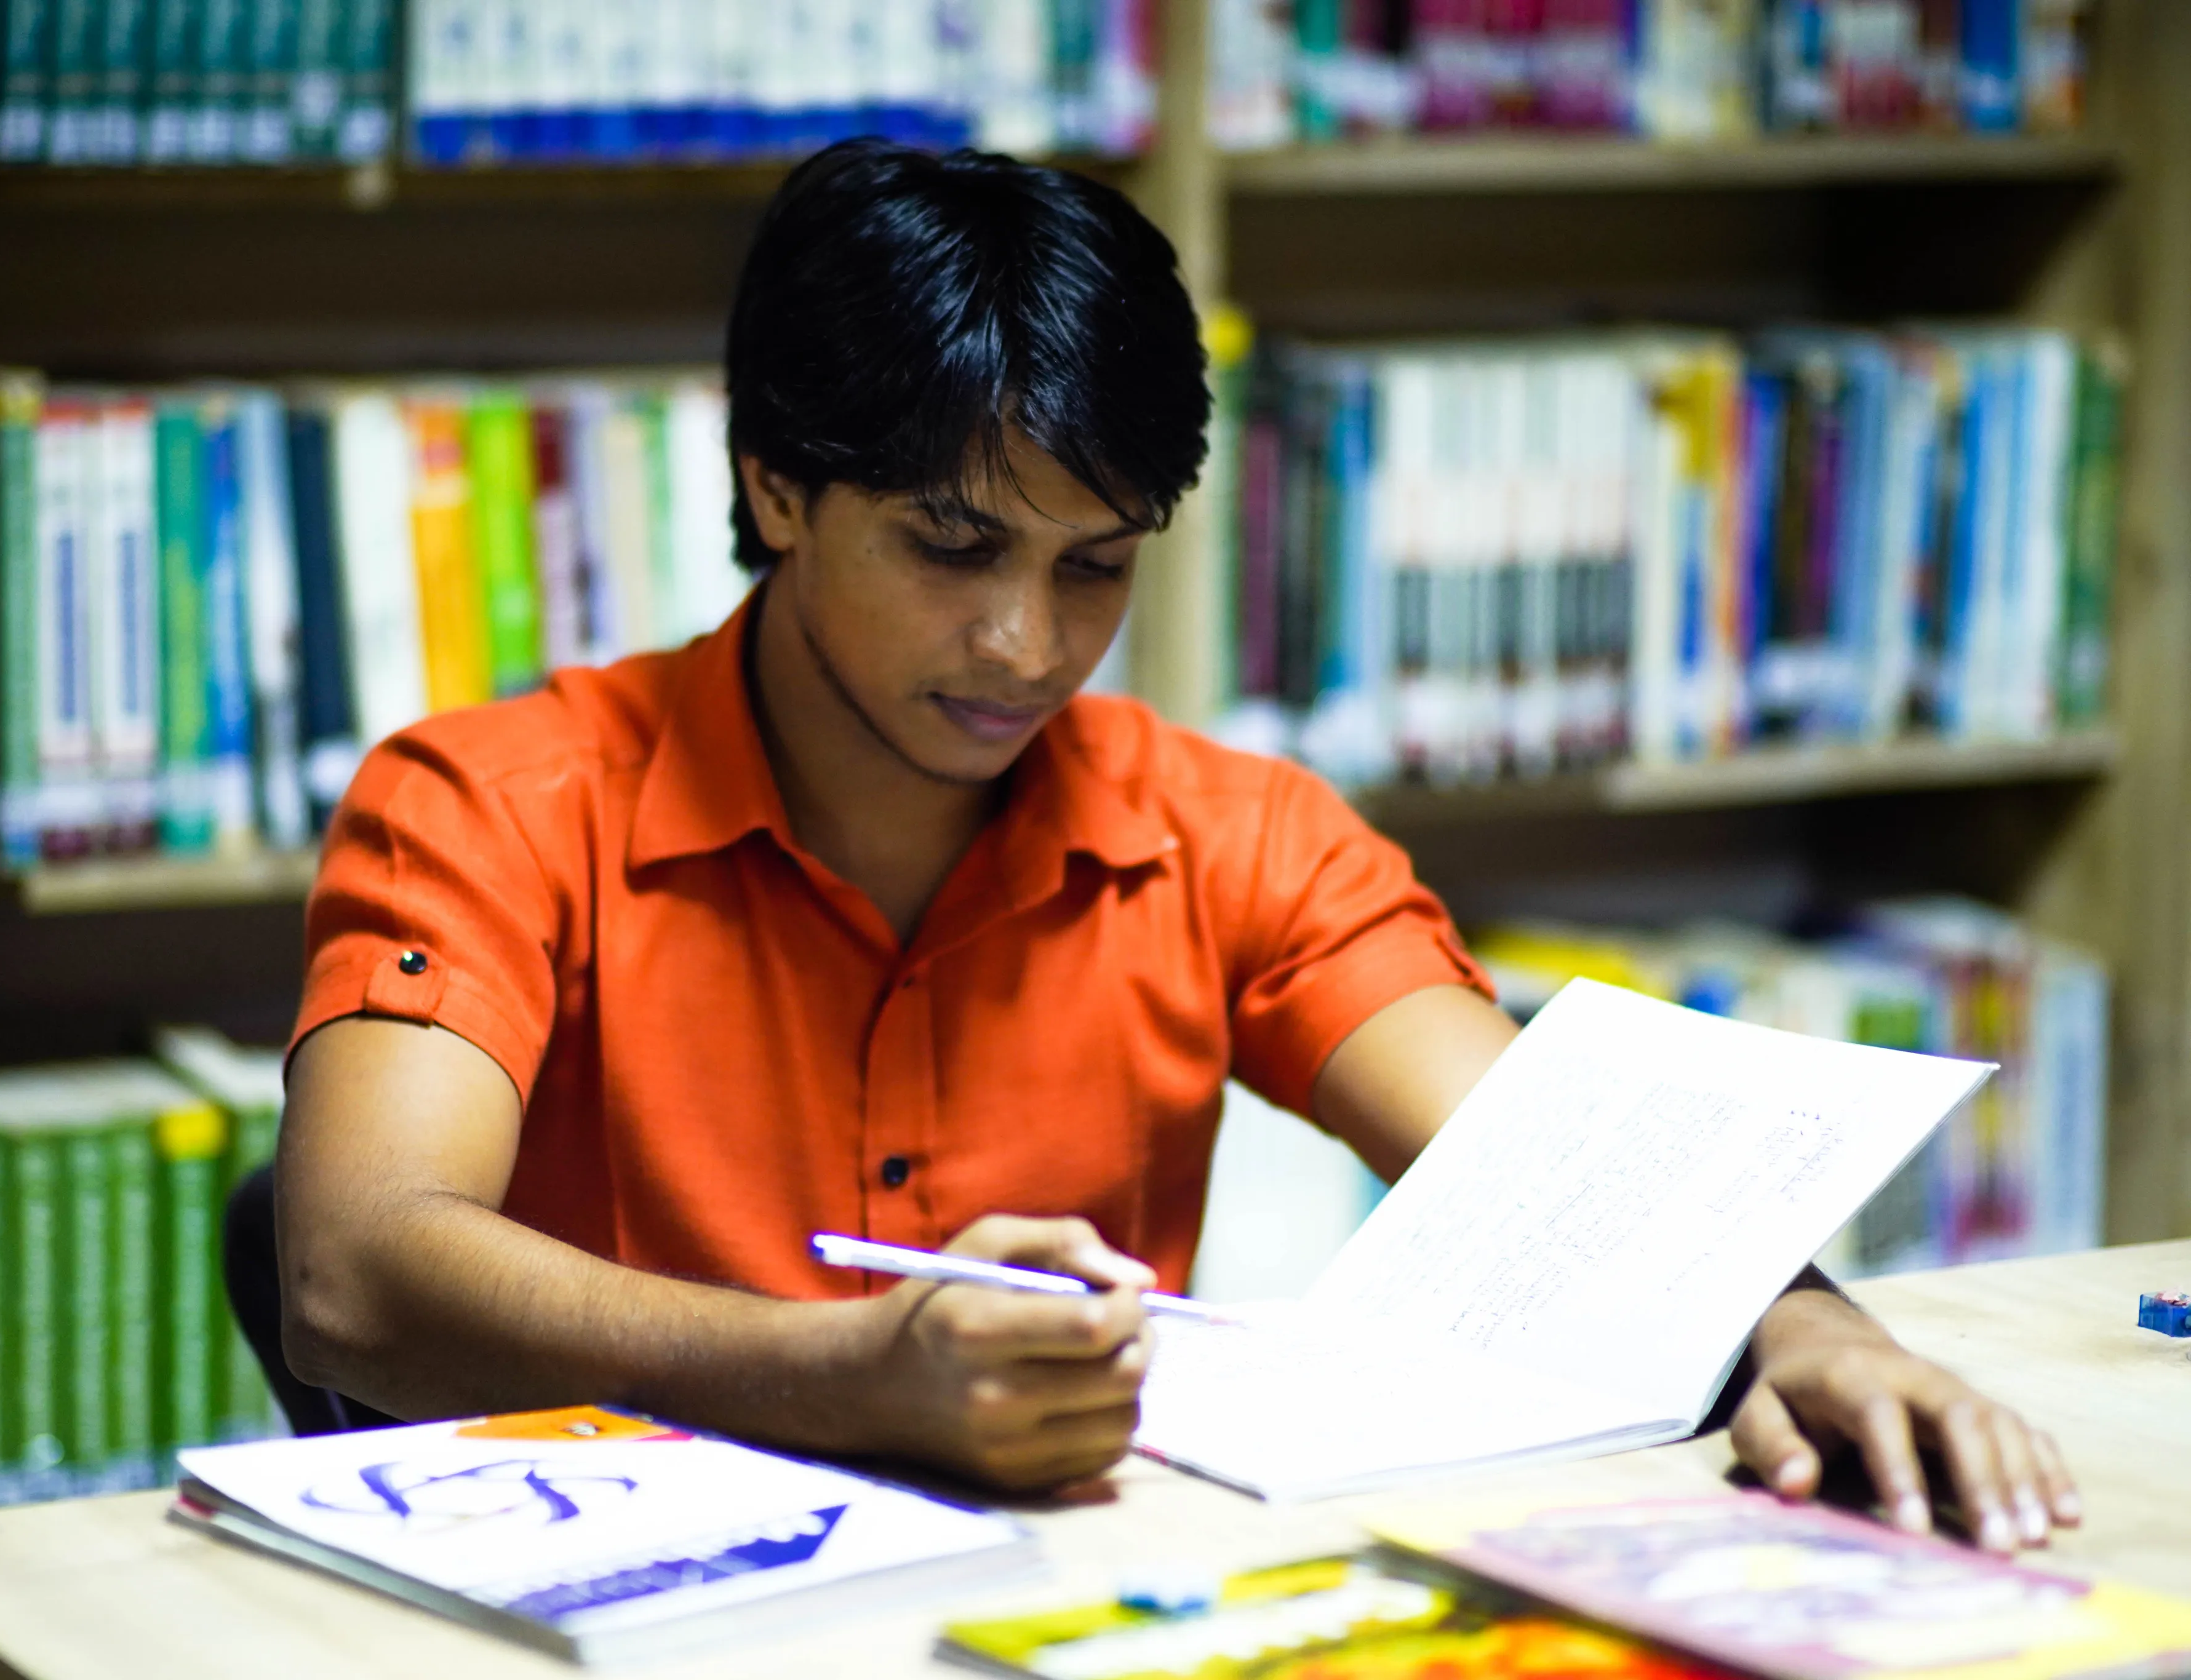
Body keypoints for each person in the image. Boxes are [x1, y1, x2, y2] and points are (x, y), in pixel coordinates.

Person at [274, 138, 2077, 1554]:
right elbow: (354, 1270)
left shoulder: (1232, 834)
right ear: (772, 488)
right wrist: (847, 1379)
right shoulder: (494, 802)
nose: (1028, 647)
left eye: (1097, 566)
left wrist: (1811, 1327)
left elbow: (1558, 1173)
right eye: (953, 546)